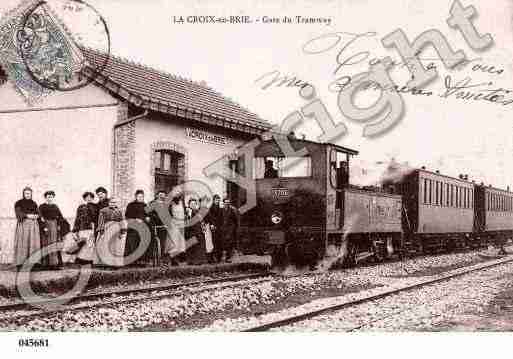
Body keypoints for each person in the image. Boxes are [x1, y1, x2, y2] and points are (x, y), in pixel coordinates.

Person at [13, 187, 41, 270]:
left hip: (33, 226)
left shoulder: (34, 203)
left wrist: (37, 216)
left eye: (29, 193)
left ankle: (32, 264)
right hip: (23, 225)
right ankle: (20, 264)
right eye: (26, 193)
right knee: (23, 244)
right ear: (23, 194)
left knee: (33, 243)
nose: (28, 195)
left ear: (31, 194)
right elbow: (18, 213)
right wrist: (27, 215)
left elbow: (38, 213)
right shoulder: (18, 203)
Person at [94, 197, 126, 268]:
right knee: (106, 245)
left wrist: (122, 230)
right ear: (108, 203)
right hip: (107, 229)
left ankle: (115, 263)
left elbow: (121, 221)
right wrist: (101, 230)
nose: (113, 204)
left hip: (116, 229)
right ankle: (106, 262)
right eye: (111, 202)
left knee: (116, 246)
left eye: (114, 202)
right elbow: (101, 221)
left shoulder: (119, 211)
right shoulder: (103, 210)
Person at [38, 191, 67, 269]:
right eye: (48, 196)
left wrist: (59, 226)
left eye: (51, 197)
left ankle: (55, 263)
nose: (50, 198)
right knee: (46, 244)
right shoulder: (41, 206)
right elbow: (40, 217)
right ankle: (45, 264)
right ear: (45, 197)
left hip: (54, 226)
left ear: (53, 197)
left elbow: (60, 217)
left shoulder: (55, 206)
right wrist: (44, 227)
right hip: (46, 226)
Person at [124, 190, 151, 266]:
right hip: (133, 228)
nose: (141, 198)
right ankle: (132, 261)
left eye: (142, 196)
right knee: (133, 243)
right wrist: (135, 219)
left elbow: (148, 215)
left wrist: (148, 217)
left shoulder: (145, 205)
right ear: (136, 197)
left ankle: (142, 261)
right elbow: (127, 216)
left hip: (143, 227)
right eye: (139, 196)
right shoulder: (131, 205)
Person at [72, 192, 98, 265]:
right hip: (82, 227)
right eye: (87, 197)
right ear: (84, 198)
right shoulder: (81, 207)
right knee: (82, 243)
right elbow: (77, 218)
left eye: (90, 197)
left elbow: (96, 217)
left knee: (90, 244)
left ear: (93, 198)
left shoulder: (95, 207)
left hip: (91, 227)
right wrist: (75, 230)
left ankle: (89, 259)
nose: (89, 199)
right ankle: (80, 259)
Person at [185, 198, 207, 265]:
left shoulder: (198, 212)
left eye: (194, 204)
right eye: (191, 204)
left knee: (199, 247)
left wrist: (203, 228)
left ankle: (198, 261)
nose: (193, 205)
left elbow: (202, 221)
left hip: (198, 231)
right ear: (189, 204)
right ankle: (190, 261)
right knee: (190, 247)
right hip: (189, 231)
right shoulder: (187, 212)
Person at [221, 197, 240, 263]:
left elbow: (235, 220)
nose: (227, 204)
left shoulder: (232, 210)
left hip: (230, 229)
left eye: (228, 203)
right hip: (223, 228)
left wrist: (233, 228)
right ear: (223, 203)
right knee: (223, 243)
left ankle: (228, 258)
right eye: (225, 203)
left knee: (229, 243)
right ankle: (223, 257)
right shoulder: (221, 210)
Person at [205, 194, 223, 263]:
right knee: (212, 243)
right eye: (216, 200)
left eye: (218, 200)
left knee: (219, 243)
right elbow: (209, 218)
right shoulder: (210, 209)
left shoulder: (220, 209)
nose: (217, 201)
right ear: (213, 200)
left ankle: (218, 258)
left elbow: (221, 218)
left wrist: (220, 226)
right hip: (212, 227)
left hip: (218, 227)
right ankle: (212, 258)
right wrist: (212, 225)